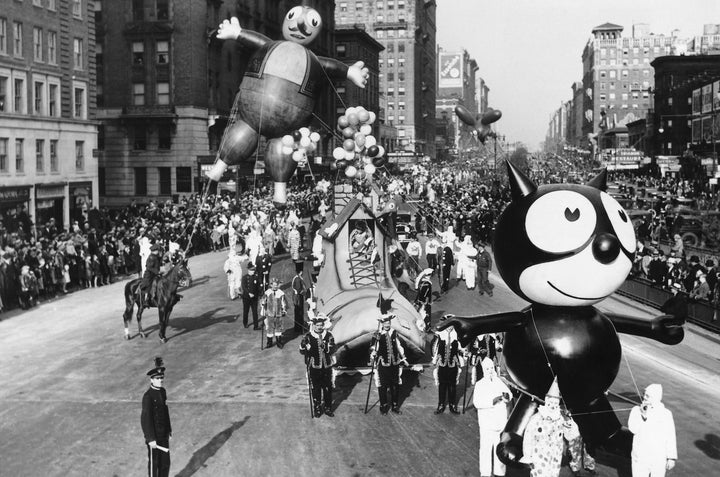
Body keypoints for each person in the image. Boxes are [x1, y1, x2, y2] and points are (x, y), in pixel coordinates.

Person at [521, 378, 568, 477]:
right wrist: (528, 455)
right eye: (551, 402)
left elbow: (567, 436)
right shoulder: (536, 419)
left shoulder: (560, 419)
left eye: (556, 403)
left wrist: (570, 426)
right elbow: (528, 437)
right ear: (546, 401)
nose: (553, 406)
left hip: (555, 458)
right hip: (539, 458)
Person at [628, 383, 677, 477]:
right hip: (640, 457)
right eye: (644, 394)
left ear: (656, 397)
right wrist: (643, 416)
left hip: (658, 458)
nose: (644, 397)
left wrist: (671, 458)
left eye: (648, 395)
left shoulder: (666, 414)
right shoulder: (636, 410)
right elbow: (633, 429)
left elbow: (670, 436)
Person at [472, 358, 511, 477]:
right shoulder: (480, 384)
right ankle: (485, 473)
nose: (490, 371)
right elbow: (477, 403)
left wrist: (506, 397)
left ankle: (499, 472)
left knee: (499, 448)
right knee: (485, 449)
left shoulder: (498, 381)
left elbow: (509, 394)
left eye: (491, 368)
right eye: (487, 369)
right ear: (484, 370)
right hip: (487, 423)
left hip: (499, 422)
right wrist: (492, 401)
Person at [370, 313, 408, 415]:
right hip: (383, 364)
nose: (387, 325)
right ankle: (383, 406)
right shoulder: (377, 334)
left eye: (389, 322)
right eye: (385, 323)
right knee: (383, 385)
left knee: (395, 385)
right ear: (382, 323)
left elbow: (398, 346)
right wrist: (373, 352)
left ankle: (395, 406)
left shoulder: (394, 332)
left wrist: (403, 358)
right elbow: (373, 347)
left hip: (394, 363)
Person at [299, 313, 336, 417]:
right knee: (316, 388)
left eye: (321, 325)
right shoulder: (308, 336)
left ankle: (328, 408)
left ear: (323, 325)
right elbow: (302, 352)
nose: (319, 327)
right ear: (313, 325)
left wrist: (325, 346)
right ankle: (317, 408)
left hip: (326, 367)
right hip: (314, 367)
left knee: (328, 388)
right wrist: (303, 345)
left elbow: (333, 348)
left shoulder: (329, 335)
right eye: (317, 325)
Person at [141, 364, 172, 477]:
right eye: (157, 378)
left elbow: (165, 412)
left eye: (161, 378)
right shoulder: (148, 397)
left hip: (163, 435)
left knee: (165, 463)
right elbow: (145, 419)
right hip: (154, 437)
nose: (160, 380)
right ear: (152, 380)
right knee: (154, 465)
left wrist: (169, 430)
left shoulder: (162, 392)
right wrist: (150, 438)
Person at [432, 317, 464, 414]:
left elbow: (462, 348)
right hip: (442, 363)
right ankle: (441, 404)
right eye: (448, 325)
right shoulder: (439, 334)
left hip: (453, 363)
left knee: (452, 385)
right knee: (442, 384)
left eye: (452, 325)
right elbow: (434, 347)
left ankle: (452, 405)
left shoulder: (457, 334)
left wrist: (465, 353)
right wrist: (435, 359)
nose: (450, 327)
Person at [261, 277, 287, 348]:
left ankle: (279, 342)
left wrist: (284, 310)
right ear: (271, 285)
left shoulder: (281, 293)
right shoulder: (267, 292)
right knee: (270, 328)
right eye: (274, 285)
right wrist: (263, 302)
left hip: (278, 313)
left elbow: (283, 302)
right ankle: (269, 342)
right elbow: (263, 300)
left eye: (276, 284)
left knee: (278, 327)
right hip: (270, 313)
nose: (275, 286)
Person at [240, 264, 260, 328]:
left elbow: (258, 287)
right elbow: (244, 287)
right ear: (248, 270)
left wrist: (259, 294)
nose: (253, 271)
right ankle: (245, 323)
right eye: (251, 270)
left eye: (254, 270)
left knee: (255, 312)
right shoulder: (245, 277)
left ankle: (256, 326)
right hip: (246, 297)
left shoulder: (256, 277)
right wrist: (249, 293)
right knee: (246, 311)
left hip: (254, 297)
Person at [414, 268, 433, 332]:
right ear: (429, 275)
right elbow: (425, 294)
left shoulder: (422, 281)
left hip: (421, 301)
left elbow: (418, 291)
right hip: (425, 303)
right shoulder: (427, 284)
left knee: (421, 314)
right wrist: (425, 303)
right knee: (425, 315)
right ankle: (425, 328)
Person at [291, 263, 307, 333]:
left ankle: (299, 328)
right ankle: (299, 328)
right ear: (301, 271)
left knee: (299, 312)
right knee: (299, 312)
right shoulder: (298, 279)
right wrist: (306, 294)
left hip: (297, 296)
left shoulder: (297, 277)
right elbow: (299, 290)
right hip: (298, 297)